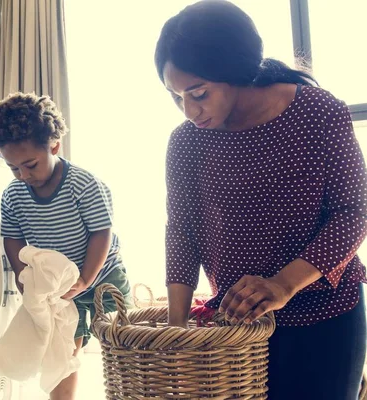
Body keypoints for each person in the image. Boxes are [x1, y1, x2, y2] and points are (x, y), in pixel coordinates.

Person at [155, 1, 367, 399]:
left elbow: (353, 213)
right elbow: (181, 233)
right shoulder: (186, 142)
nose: (188, 110)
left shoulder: (318, 112)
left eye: (198, 93)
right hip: (238, 332)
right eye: (176, 97)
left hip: (326, 316)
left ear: (235, 70)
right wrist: (177, 330)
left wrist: (283, 284)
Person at [0, 92, 132, 400]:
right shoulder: (13, 196)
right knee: (63, 352)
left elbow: (101, 233)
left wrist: (86, 280)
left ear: (54, 146)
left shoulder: (83, 185)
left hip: (102, 275)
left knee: (123, 341)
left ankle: (130, 392)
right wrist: (26, 281)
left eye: (30, 165)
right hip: (59, 287)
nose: (23, 175)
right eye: (13, 168)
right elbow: (13, 239)